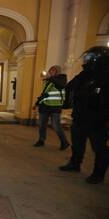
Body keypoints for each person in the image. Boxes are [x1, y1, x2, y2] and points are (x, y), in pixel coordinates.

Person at [59, 46, 109, 184]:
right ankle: (75, 163)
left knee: (98, 148)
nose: (85, 61)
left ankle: (98, 173)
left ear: (96, 58)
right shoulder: (85, 74)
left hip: (97, 119)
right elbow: (70, 87)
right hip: (80, 116)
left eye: (88, 58)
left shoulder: (104, 74)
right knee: (77, 142)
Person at [33, 65, 70, 150]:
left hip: (55, 107)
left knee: (56, 125)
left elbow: (60, 84)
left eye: (53, 70)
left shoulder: (62, 78)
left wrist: (49, 78)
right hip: (45, 106)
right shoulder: (48, 81)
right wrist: (37, 103)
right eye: (50, 70)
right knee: (42, 124)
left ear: (58, 71)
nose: (51, 72)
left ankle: (64, 142)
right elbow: (45, 93)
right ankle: (41, 140)